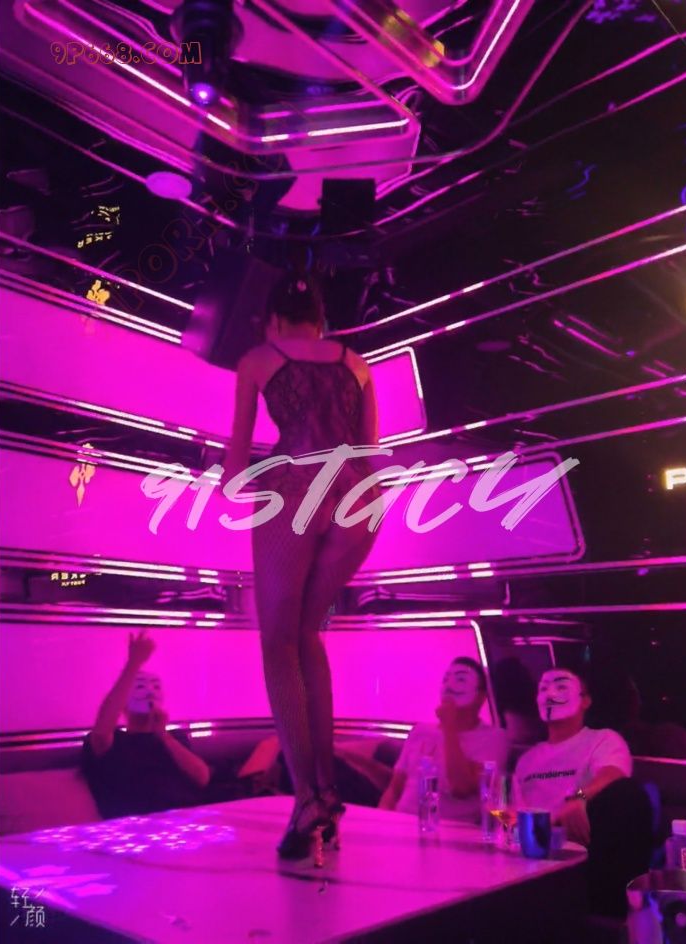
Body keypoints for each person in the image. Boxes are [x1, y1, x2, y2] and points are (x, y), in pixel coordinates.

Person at [221, 271, 380, 860]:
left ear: (273, 321)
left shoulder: (258, 359)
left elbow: (238, 459)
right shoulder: (357, 363)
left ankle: (308, 798)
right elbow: (368, 449)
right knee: (309, 634)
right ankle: (326, 791)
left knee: (278, 643)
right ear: (321, 320)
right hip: (359, 500)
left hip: (293, 490)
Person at [514, 666, 653, 917]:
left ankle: (614, 917)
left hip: (585, 846)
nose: (550, 694)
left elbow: (614, 773)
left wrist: (578, 798)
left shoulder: (602, 739)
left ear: (585, 700)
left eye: (561, 686)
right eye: (543, 689)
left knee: (628, 795)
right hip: (536, 847)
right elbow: (512, 815)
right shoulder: (527, 760)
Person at [82, 630, 211, 819]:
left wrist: (164, 736)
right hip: (136, 824)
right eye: (140, 687)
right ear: (123, 703)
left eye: (156, 687)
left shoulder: (174, 739)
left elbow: (202, 777)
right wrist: (133, 663)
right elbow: (102, 730)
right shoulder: (114, 741)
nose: (150, 692)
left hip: (187, 820)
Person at [378, 658, 509, 821]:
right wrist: (382, 819)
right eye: (446, 679)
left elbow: (461, 787)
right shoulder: (420, 731)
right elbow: (394, 790)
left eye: (461, 680)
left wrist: (449, 728)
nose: (449, 685)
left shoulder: (494, 739)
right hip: (400, 823)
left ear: (481, 697)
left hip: (449, 830)